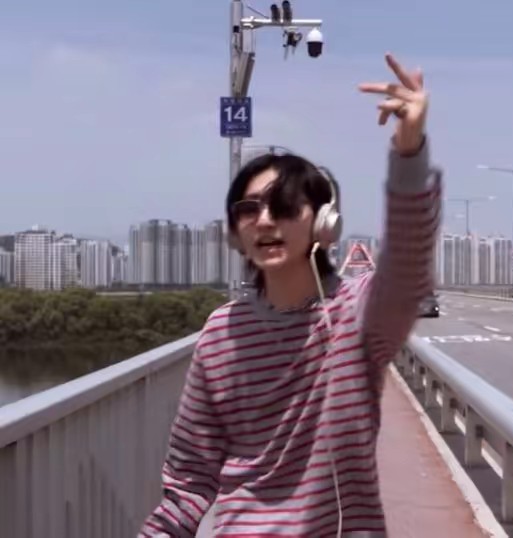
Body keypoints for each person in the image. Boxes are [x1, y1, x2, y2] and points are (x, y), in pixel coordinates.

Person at [139, 53, 442, 538]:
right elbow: (190, 479)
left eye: (282, 207)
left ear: (324, 224)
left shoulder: (358, 314)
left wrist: (410, 153)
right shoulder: (221, 333)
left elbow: (409, 265)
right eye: (248, 209)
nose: (264, 221)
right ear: (235, 232)